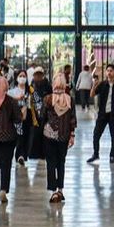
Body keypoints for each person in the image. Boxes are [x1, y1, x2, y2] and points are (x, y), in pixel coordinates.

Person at [41, 74, 77, 203]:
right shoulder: (69, 100)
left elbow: (42, 117)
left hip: (49, 135)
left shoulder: (48, 99)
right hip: (64, 135)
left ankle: (53, 191)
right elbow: (72, 119)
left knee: (51, 163)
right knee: (61, 162)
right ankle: (60, 189)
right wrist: (72, 135)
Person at [88, 63, 114, 164]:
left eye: (111, 71)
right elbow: (92, 94)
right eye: (108, 71)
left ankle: (112, 156)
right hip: (102, 114)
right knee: (96, 134)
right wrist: (94, 85)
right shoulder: (102, 84)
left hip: (113, 114)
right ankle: (95, 154)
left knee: (113, 136)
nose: (109, 73)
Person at [9, 71, 34, 166]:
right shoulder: (12, 91)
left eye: (24, 76)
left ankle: (23, 155)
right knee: (19, 137)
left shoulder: (30, 90)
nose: (22, 78)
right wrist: (17, 99)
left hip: (28, 118)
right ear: (17, 78)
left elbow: (36, 103)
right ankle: (19, 156)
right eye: (20, 76)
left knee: (27, 137)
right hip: (17, 118)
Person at [28, 68, 52, 164]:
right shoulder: (32, 85)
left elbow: (50, 97)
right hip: (34, 112)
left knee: (44, 134)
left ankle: (43, 153)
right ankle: (34, 153)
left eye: (40, 75)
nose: (38, 77)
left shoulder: (47, 85)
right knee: (35, 134)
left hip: (45, 112)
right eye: (36, 75)